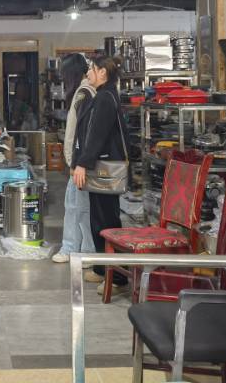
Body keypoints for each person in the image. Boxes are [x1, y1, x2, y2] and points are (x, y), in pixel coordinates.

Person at [71, 54, 128, 293]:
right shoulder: (102, 95)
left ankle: (118, 278)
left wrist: (82, 163)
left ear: (102, 72)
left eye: (92, 69)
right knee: (98, 219)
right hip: (99, 167)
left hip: (105, 168)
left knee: (107, 222)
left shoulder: (105, 97)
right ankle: (103, 269)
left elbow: (97, 135)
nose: (88, 74)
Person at [51, 55, 101, 283]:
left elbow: (82, 132)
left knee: (77, 207)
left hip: (80, 164)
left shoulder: (84, 93)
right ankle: (81, 250)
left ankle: (77, 250)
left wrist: (76, 162)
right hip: (80, 162)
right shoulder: (86, 91)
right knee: (78, 206)